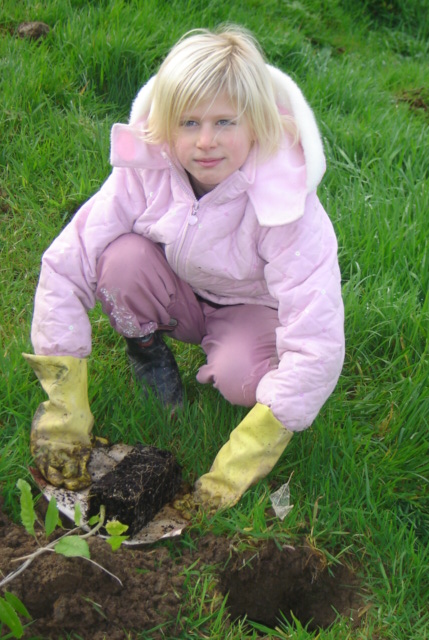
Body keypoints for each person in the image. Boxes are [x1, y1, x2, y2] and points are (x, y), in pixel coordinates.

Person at [24, 26, 345, 510]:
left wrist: (249, 450)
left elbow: (317, 336)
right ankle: (149, 352)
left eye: (225, 123)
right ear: (166, 125)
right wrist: (63, 398)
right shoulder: (147, 171)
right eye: (189, 123)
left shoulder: (286, 204)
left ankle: (235, 363)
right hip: (180, 294)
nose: (206, 143)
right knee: (120, 260)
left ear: (256, 123)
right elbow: (67, 264)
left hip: (250, 309)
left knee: (242, 380)